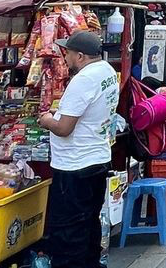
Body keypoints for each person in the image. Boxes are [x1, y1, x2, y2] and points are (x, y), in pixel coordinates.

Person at [39, 31, 120, 268]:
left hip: (75, 166)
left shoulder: (83, 80)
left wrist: (46, 120)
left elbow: (64, 128)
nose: (65, 57)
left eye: (68, 53)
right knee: (89, 224)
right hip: (97, 158)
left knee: (68, 233)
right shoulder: (106, 71)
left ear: (81, 56)